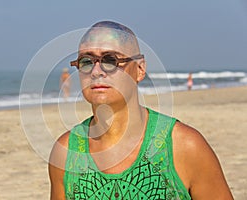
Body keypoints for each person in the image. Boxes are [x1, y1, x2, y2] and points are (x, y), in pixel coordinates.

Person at [49, 21, 233, 199]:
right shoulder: (66, 153)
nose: (96, 71)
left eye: (110, 60)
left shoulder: (184, 146)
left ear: (139, 69)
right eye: (86, 61)